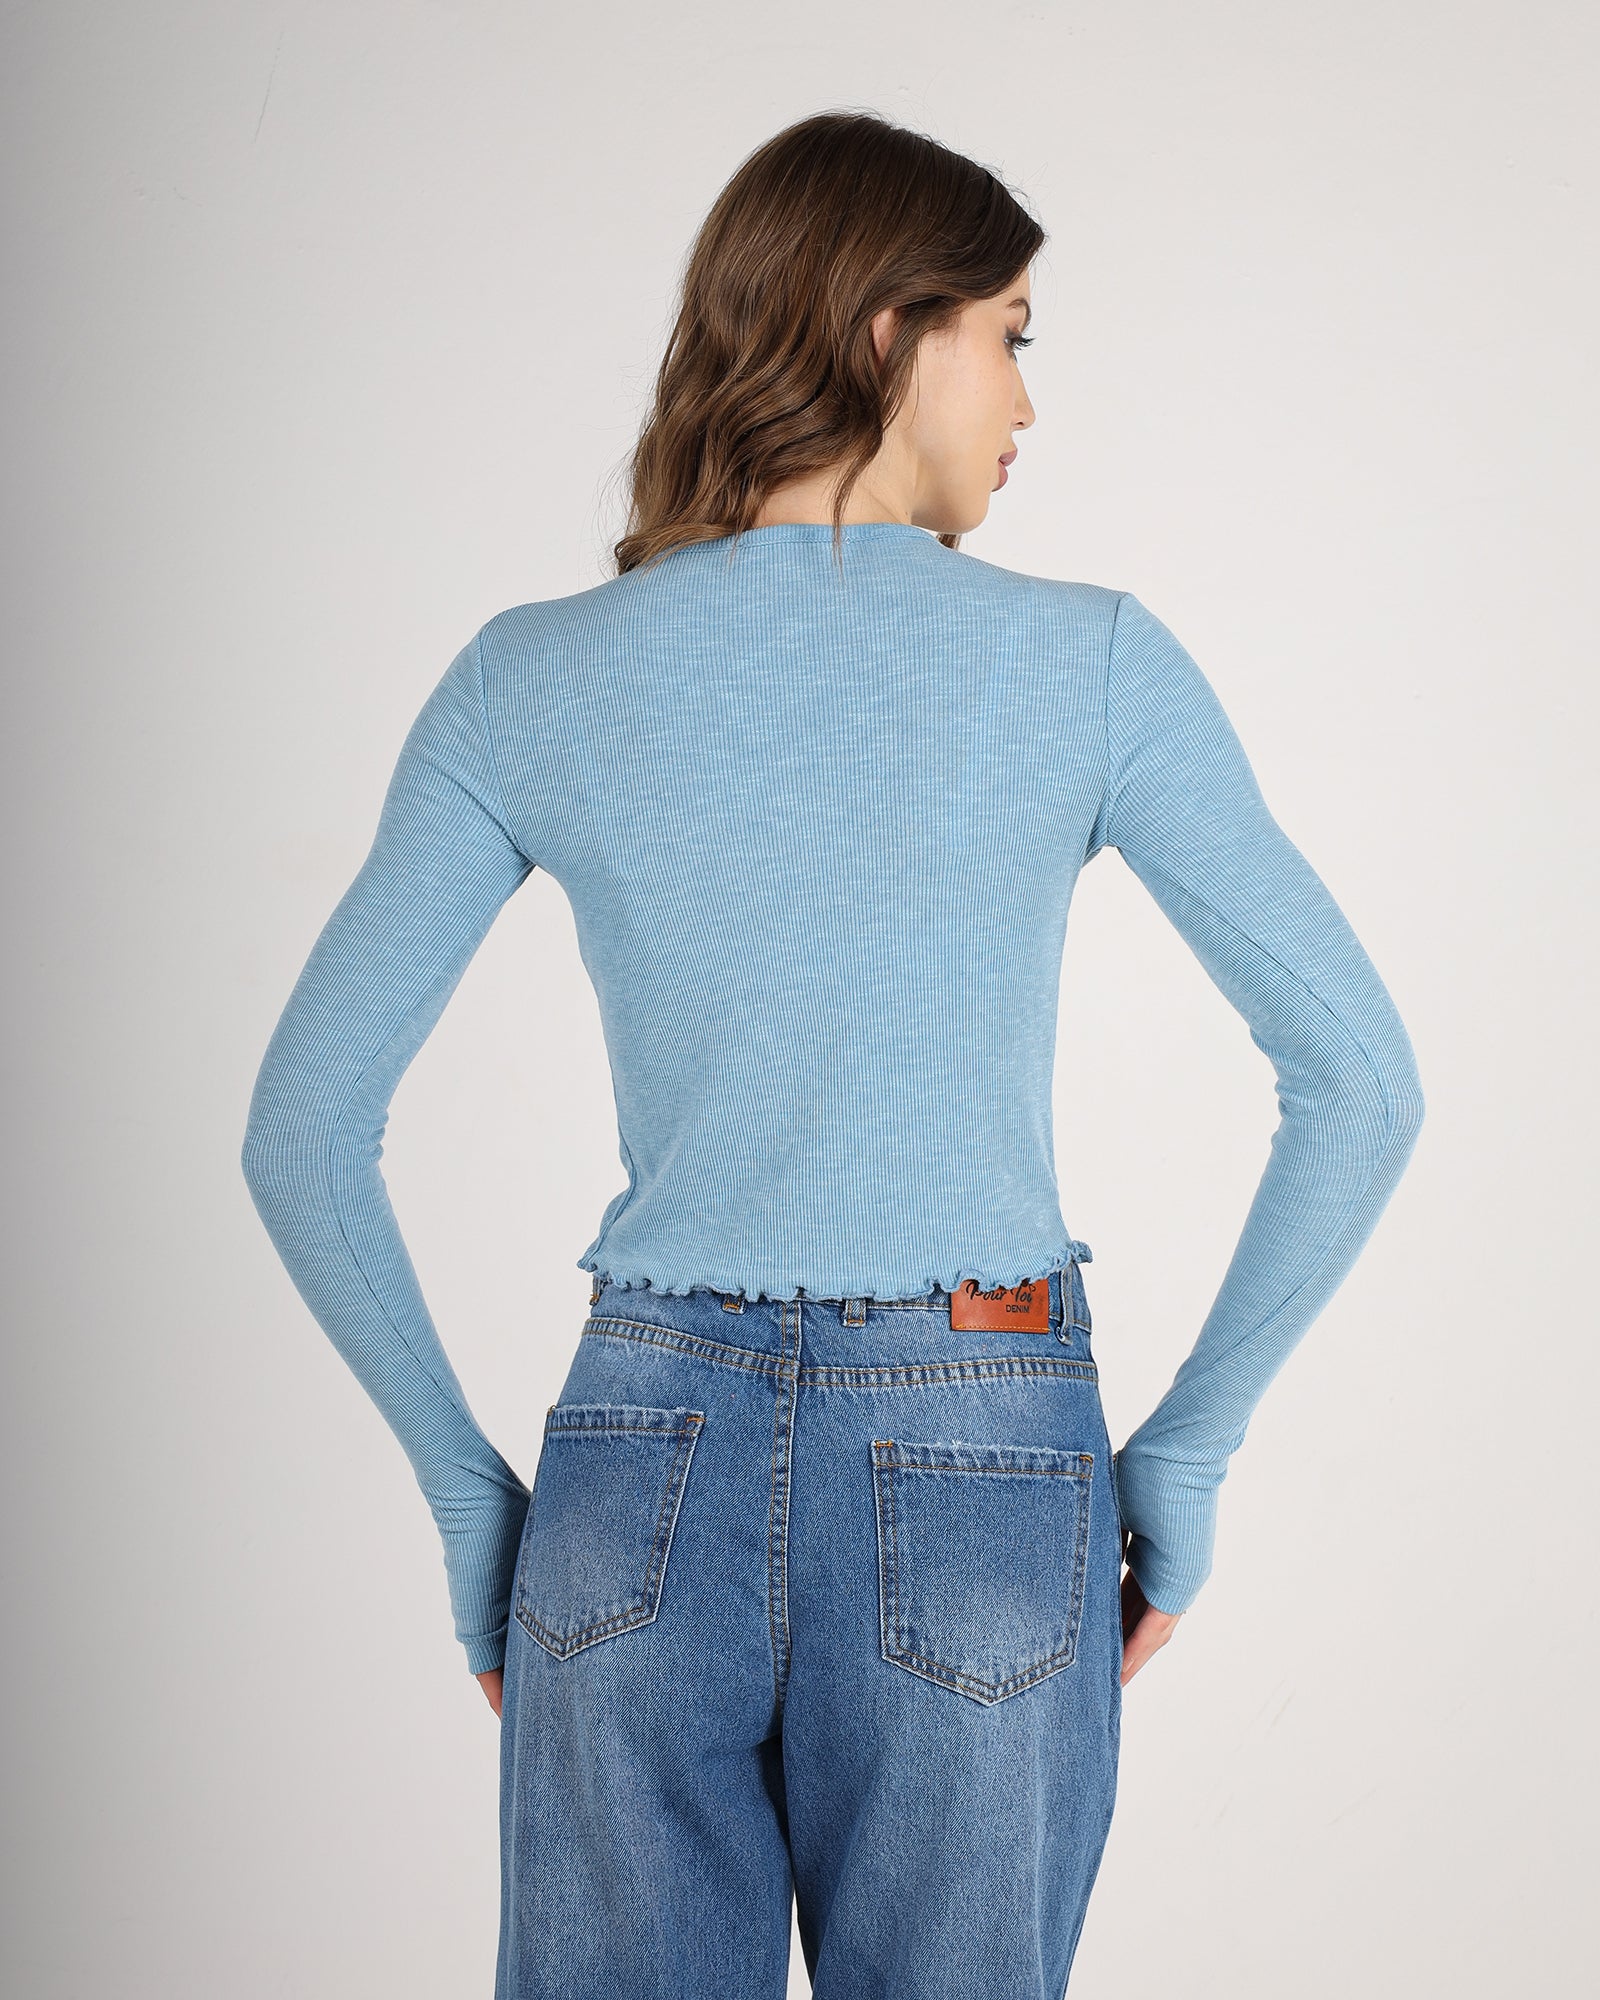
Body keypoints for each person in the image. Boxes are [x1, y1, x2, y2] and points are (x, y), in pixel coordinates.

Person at [241, 109, 1425, 1999]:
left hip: (636, 1469)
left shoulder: (527, 677)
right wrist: (1186, 1458)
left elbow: (303, 1133)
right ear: (890, 331)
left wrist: (475, 1504)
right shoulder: (1094, 663)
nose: (1028, 402)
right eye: (1010, 335)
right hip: (985, 1456)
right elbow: (1361, 1081)